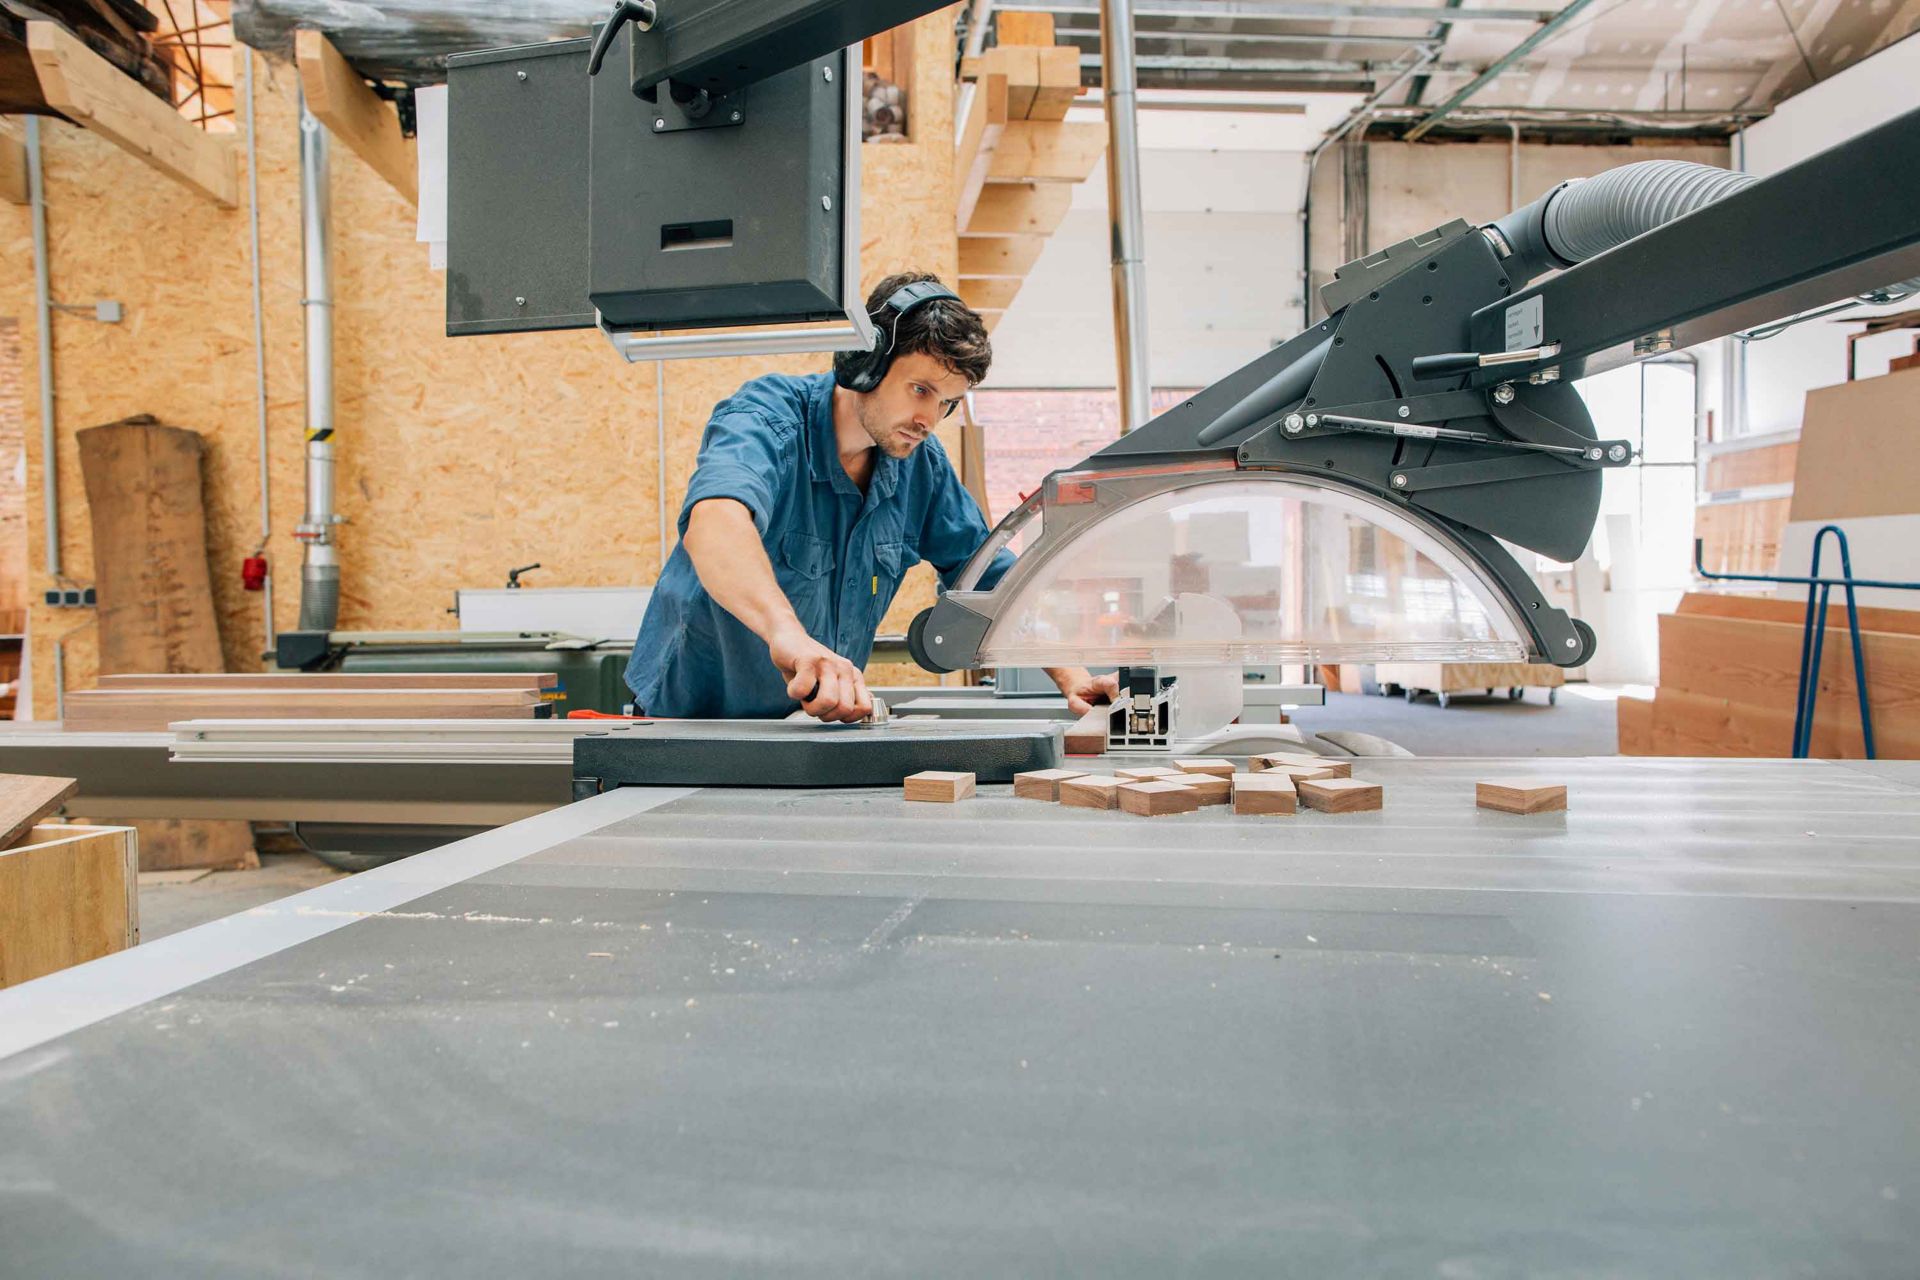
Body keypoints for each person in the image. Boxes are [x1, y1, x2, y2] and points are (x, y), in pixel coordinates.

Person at [625, 271, 1118, 722]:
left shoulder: (920, 468)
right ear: (865, 363)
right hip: (685, 721)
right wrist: (789, 636)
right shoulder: (765, 418)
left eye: (946, 402)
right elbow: (714, 522)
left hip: (800, 727)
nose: (930, 419)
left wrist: (1072, 676)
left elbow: (990, 578)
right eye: (920, 389)